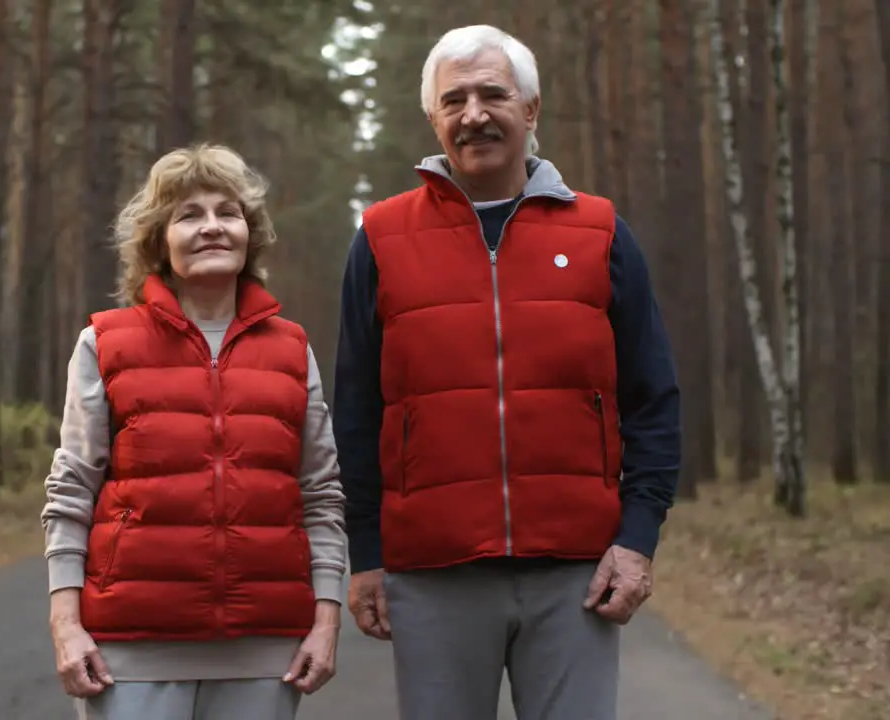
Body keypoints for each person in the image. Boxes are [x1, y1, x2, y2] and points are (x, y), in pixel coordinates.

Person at [333, 24, 681, 720]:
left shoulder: (601, 232)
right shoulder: (380, 238)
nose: (474, 115)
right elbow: (356, 411)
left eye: (494, 94)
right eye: (454, 99)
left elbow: (653, 401)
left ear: (531, 110)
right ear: (433, 119)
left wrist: (637, 541)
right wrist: (366, 551)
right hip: (432, 574)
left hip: (575, 573)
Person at [40, 143, 348, 720]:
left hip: (265, 654)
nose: (212, 227)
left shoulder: (291, 348)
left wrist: (326, 620)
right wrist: (66, 625)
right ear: (159, 240)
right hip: (130, 653)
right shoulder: (104, 343)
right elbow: (71, 491)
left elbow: (321, 495)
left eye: (227, 213)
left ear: (249, 234)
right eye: (189, 215)